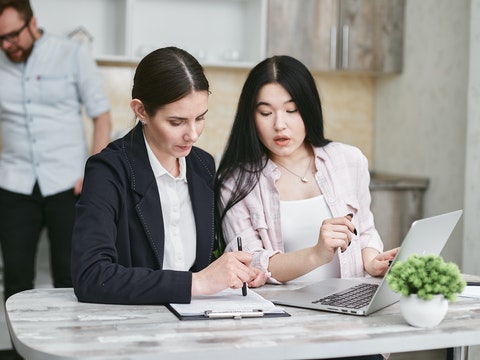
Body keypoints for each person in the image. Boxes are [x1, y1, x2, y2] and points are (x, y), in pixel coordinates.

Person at [71, 46, 266, 305]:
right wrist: (198, 283)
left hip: (195, 322)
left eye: (200, 118)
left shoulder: (202, 165)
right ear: (141, 111)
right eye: (177, 122)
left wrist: (238, 271)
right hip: (132, 329)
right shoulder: (108, 171)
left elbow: (204, 261)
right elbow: (92, 277)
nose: (193, 135)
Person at [215, 55, 399, 286]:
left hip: (348, 304)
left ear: (309, 110)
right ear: (251, 118)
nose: (279, 124)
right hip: (282, 311)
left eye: (291, 110)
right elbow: (250, 263)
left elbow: (364, 231)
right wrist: (316, 254)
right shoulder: (235, 182)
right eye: (265, 113)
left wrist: (372, 262)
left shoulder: (348, 160)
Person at [0, 0, 111, 301]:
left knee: (70, 278)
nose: (7, 45)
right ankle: (19, 350)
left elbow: (101, 114)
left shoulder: (71, 53)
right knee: (16, 280)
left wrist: (94, 172)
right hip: (13, 184)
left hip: (68, 184)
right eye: (1, 39)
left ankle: (68, 347)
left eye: (13, 35)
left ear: (32, 24)